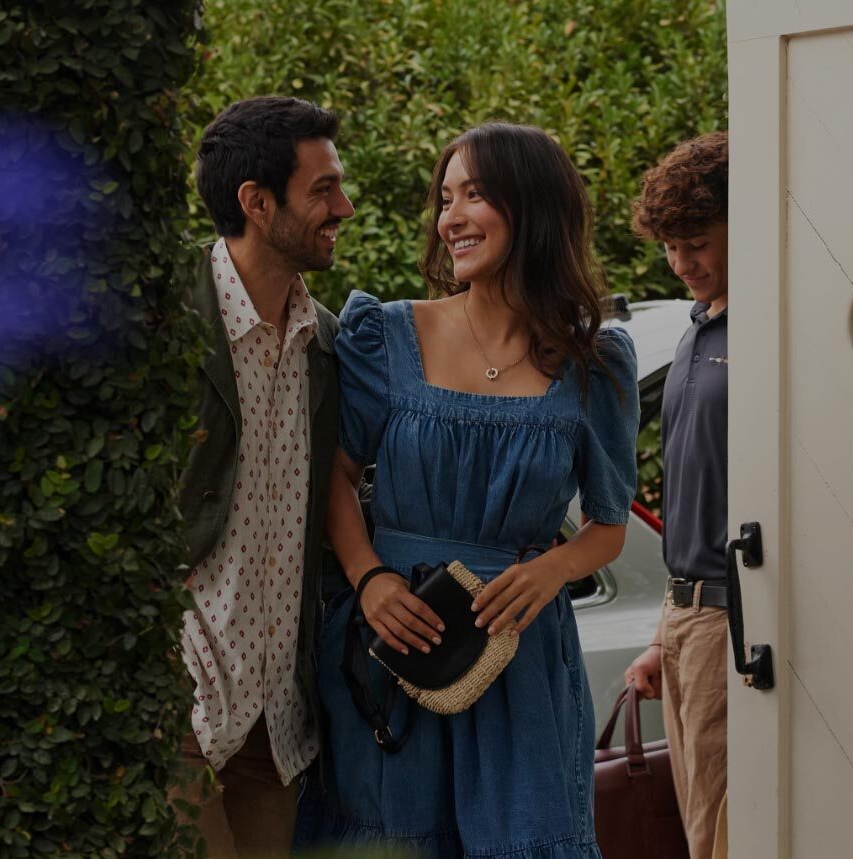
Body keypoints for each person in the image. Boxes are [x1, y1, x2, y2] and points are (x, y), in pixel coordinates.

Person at [300, 122, 639, 858]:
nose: (450, 217)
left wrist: (552, 567)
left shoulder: (595, 361)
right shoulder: (385, 334)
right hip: (393, 646)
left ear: (535, 208)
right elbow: (334, 473)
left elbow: (608, 527)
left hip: (520, 661)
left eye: (475, 195)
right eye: (445, 197)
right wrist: (369, 579)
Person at [174, 95, 354, 857]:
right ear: (256, 201)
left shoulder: (327, 341)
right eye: (322, 189)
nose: (343, 206)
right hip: (182, 691)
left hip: (275, 713)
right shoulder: (170, 318)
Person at [623, 130, 731, 859]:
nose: (681, 263)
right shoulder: (694, 332)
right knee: (702, 834)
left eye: (696, 240)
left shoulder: (775, 331)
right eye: (669, 246)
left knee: (731, 835)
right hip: (688, 615)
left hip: (738, 620)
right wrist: (666, 631)